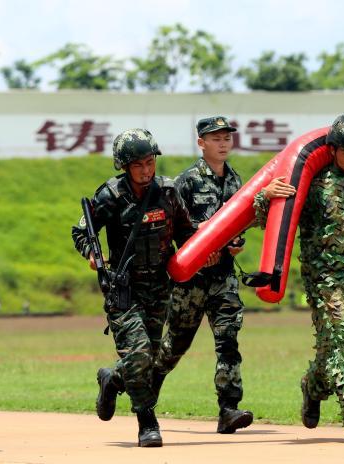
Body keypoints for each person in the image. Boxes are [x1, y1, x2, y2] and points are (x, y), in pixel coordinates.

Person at [253, 113, 344, 443]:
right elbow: (271, 220)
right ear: (332, 149)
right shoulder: (314, 182)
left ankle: (314, 385)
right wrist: (266, 196)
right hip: (327, 280)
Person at [71, 128, 196, 447]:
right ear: (124, 166)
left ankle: (111, 379)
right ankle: (147, 423)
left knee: (147, 360)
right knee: (139, 355)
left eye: (150, 161)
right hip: (123, 291)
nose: (146, 169)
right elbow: (82, 232)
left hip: (159, 289)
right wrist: (93, 255)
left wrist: (202, 254)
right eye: (139, 164)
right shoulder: (110, 196)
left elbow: (186, 232)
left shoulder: (168, 192)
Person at [152, 116, 254, 434]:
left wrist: (237, 244)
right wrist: (195, 248)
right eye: (216, 138)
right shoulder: (186, 181)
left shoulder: (236, 181)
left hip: (223, 276)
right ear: (201, 143)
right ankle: (139, 390)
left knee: (228, 341)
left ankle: (229, 409)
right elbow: (172, 228)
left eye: (227, 138)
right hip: (192, 279)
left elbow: (239, 224)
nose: (223, 143)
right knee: (174, 347)